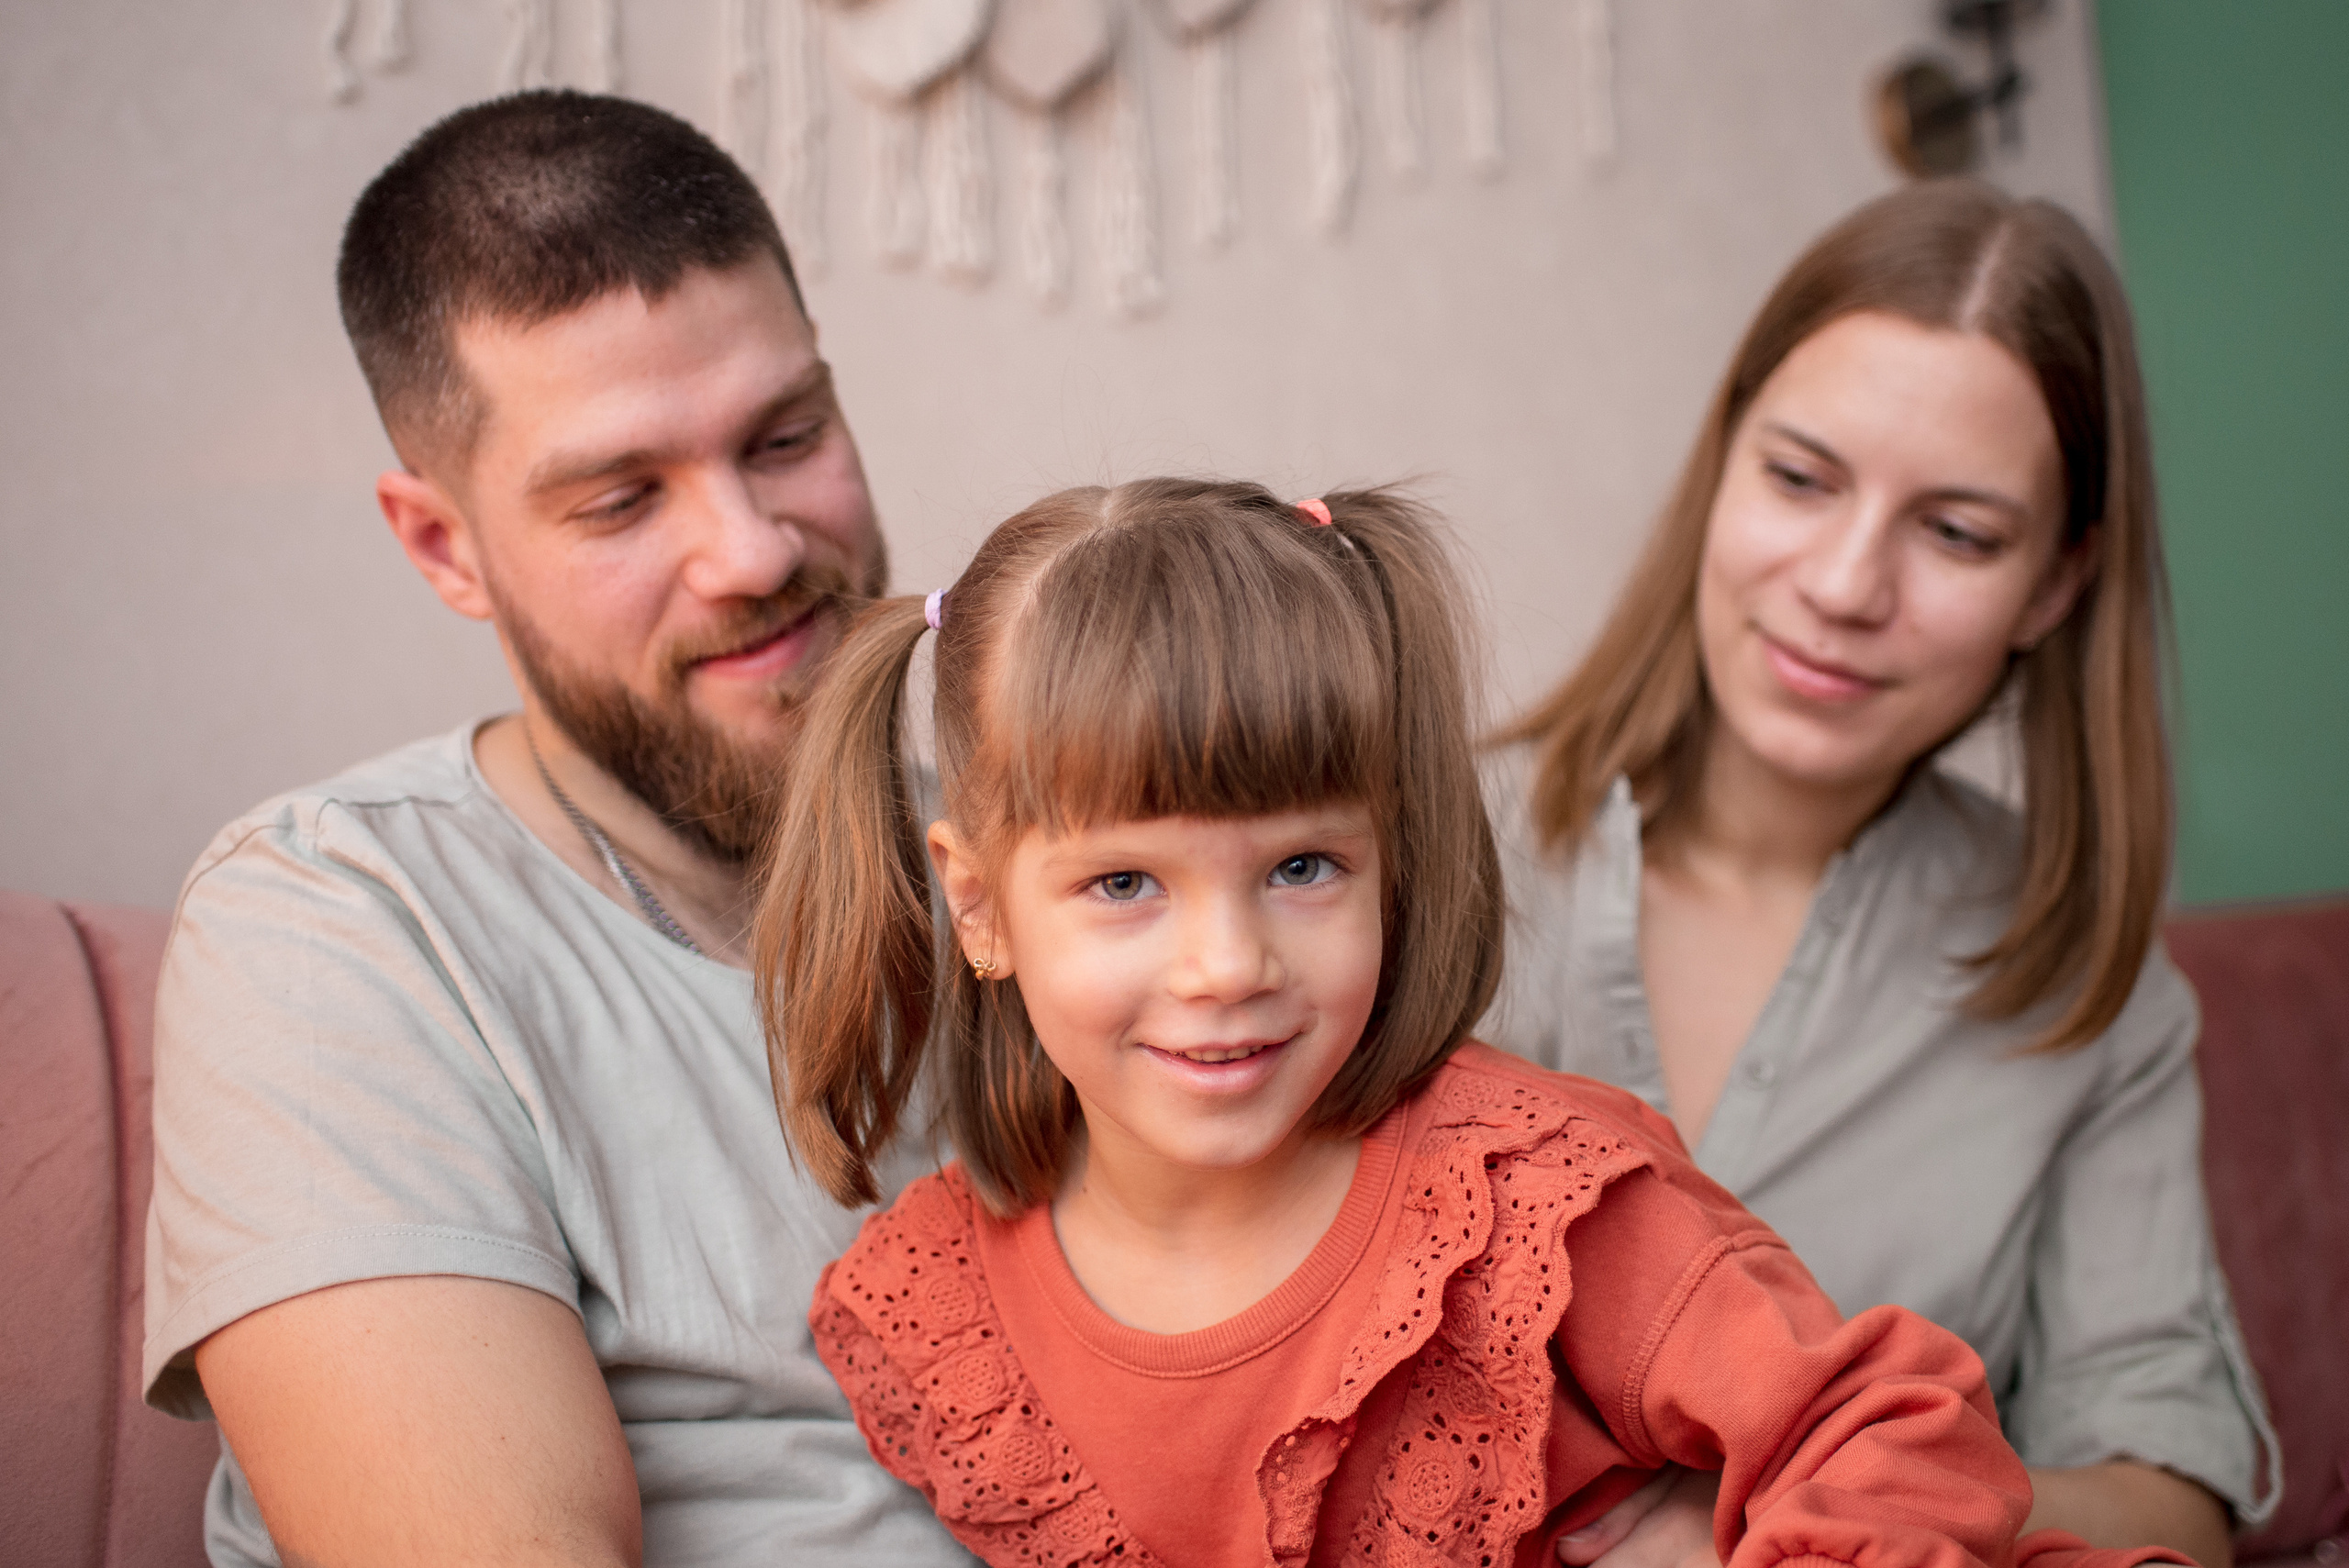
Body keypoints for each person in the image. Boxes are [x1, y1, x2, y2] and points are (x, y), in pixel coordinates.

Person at [752, 476, 2188, 1568]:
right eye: (1125, 883)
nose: (1225, 962)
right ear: (984, 905)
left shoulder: (1534, 1197)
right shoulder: (940, 1316)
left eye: (1302, 868)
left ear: (1392, 855)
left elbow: (1889, 1425)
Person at [141, 92, 972, 1565]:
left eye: (787, 436)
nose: (757, 550)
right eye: (620, 497)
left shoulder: (1045, 866)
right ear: (443, 544)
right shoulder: (339, 923)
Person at [1481, 179, 2277, 1568]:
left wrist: (1803, 1505)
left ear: (2053, 586)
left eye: (1957, 532)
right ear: (1724, 458)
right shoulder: (1395, 865)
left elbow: (2176, 1501)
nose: (1848, 583)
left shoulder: (2093, 986)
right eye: (1801, 477)